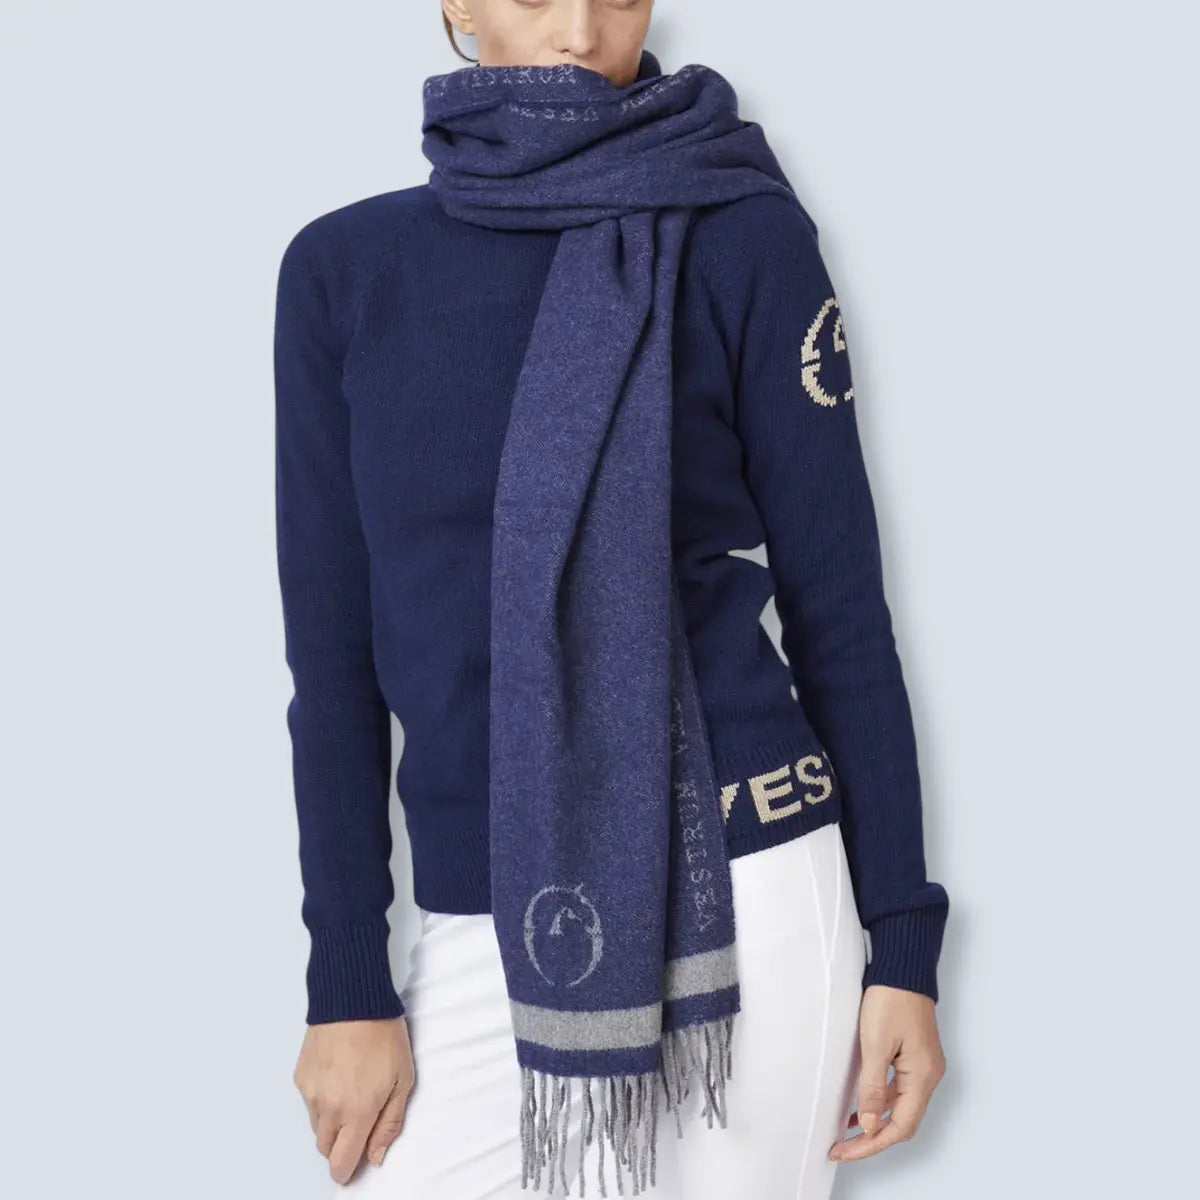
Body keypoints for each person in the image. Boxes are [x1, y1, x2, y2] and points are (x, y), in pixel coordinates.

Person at [273, 3, 950, 1196]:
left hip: (745, 882)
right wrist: (347, 984)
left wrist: (902, 943)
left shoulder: (741, 233)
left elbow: (840, 608)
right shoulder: (345, 271)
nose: (582, 34)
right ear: (457, 6)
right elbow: (332, 660)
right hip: (482, 904)